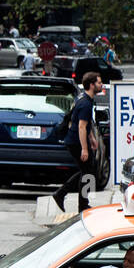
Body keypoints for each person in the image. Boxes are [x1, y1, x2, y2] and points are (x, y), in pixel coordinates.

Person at [54, 73, 103, 214]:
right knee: (88, 171)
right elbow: (81, 127)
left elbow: (86, 125)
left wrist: (92, 138)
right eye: (99, 83)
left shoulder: (82, 98)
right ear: (92, 85)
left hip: (75, 140)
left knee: (87, 171)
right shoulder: (86, 103)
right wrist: (85, 149)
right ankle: (64, 195)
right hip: (76, 142)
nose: (101, 85)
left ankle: (75, 200)